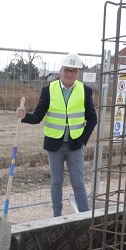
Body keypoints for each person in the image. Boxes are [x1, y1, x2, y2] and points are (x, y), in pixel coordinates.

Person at [16, 52, 98, 217]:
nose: (69, 74)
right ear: (61, 71)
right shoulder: (49, 90)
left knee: (78, 183)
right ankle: (57, 216)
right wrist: (24, 116)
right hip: (54, 145)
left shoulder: (85, 91)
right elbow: (38, 117)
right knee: (56, 182)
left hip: (75, 145)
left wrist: (83, 141)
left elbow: (92, 119)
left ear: (79, 73)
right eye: (67, 70)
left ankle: (84, 216)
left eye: (74, 71)